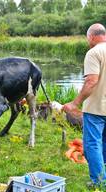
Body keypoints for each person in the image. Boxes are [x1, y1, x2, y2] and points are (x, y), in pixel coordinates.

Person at [63, 23, 106, 188]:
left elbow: (91, 81)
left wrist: (75, 103)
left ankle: (99, 182)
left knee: (92, 144)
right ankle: (103, 175)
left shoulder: (94, 52)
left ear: (92, 37)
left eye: (88, 38)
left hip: (96, 109)